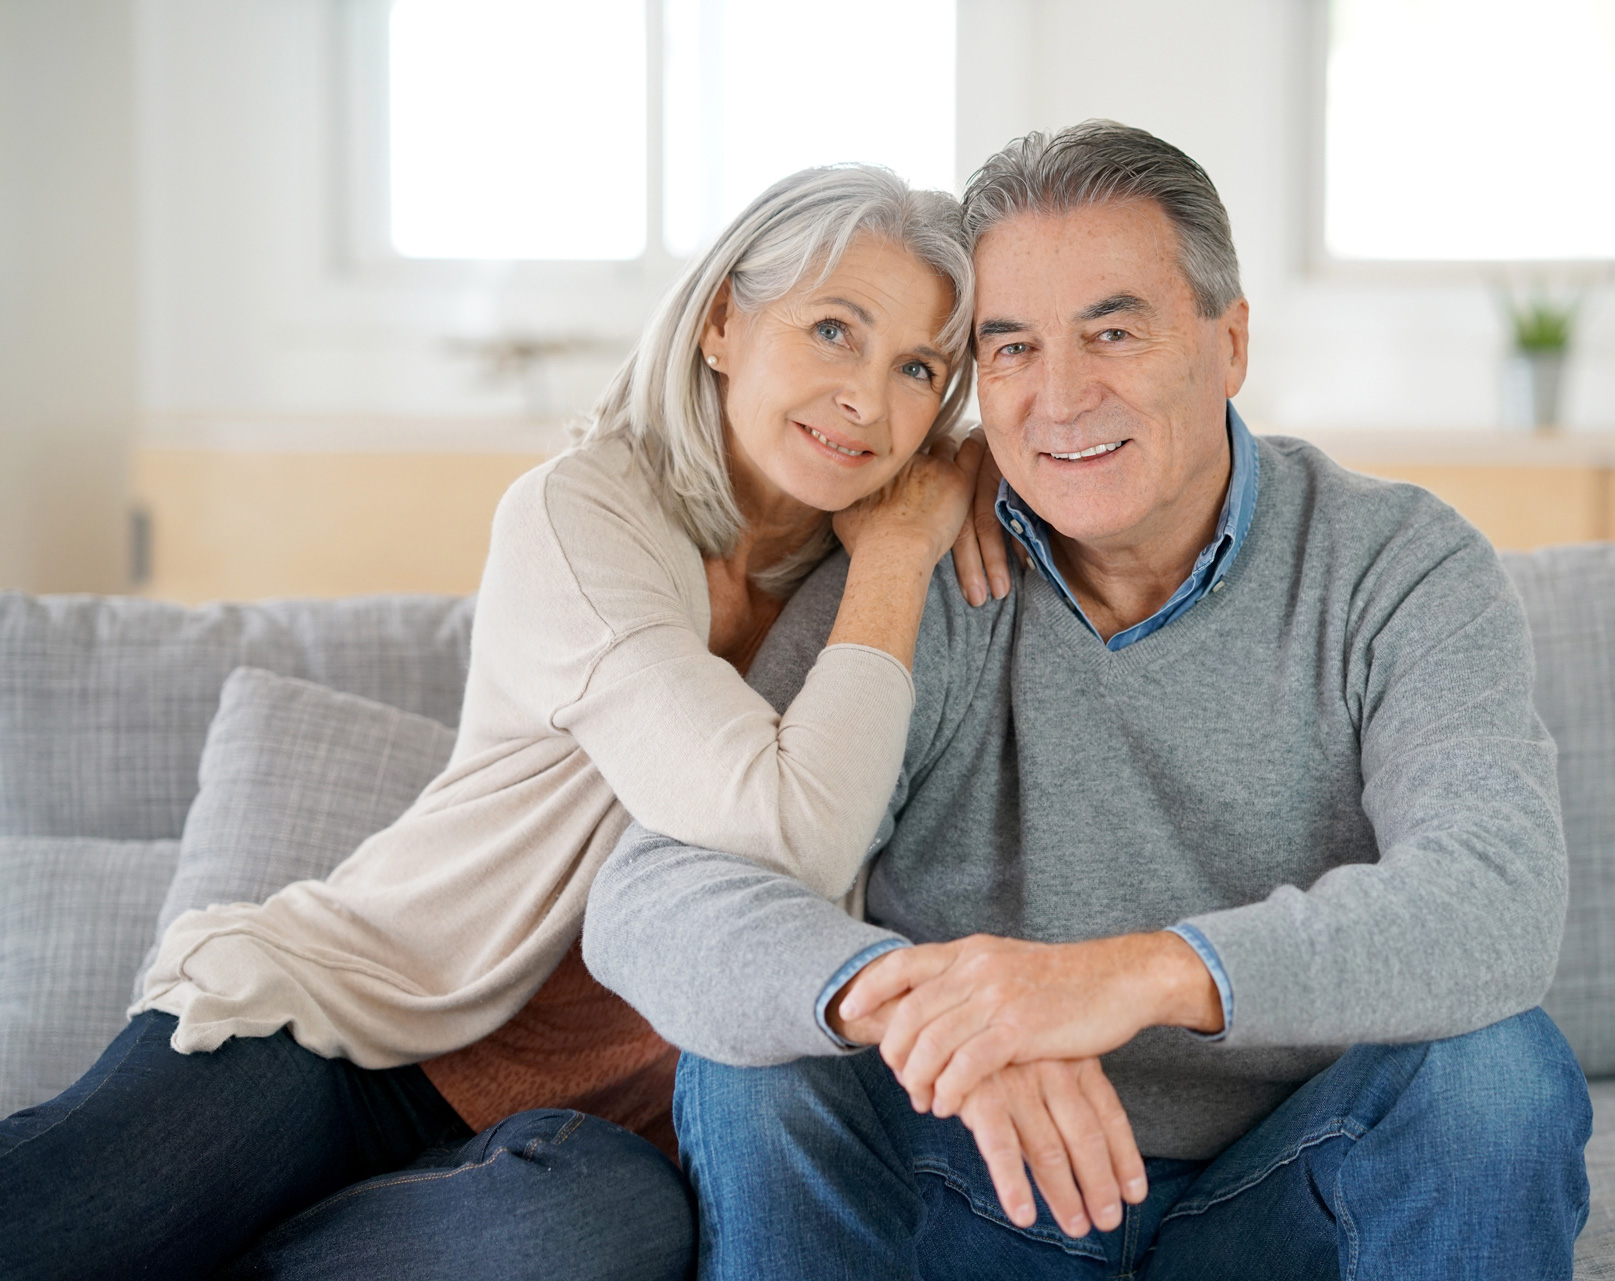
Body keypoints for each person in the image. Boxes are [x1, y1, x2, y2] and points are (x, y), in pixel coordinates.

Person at [586, 122, 1593, 1280]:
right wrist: (925, 1005)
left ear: (1230, 342)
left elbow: (1498, 895)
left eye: (1112, 331)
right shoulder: (922, 567)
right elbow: (654, 891)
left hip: (1289, 1194)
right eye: (1010, 348)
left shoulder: (1395, 563)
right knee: (757, 1060)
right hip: (976, 1193)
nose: (1059, 399)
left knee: (1499, 1072)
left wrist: (1127, 977)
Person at [0, 165, 990, 1281]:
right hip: (353, 1035)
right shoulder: (580, 514)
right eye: (832, 331)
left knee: (599, 1234)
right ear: (721, 322)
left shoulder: (872, 589)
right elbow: (795, 830)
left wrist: (937, 530)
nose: (869, 397)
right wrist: (901, 556)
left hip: (589, 1141)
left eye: (920, 367)